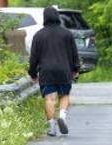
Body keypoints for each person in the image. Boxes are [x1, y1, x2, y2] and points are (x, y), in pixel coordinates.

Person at [28, 7, 80, 137]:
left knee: (49, 98)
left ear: (44, 18)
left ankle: (51, 126)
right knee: (64, 95)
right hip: (64, 70)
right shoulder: (67, 34)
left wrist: (33, 73)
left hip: (46, 71)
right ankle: (62, 116)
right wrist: (76, 69)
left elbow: (33, 57)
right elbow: (74, 53)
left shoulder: (39, 35)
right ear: (57, 17)